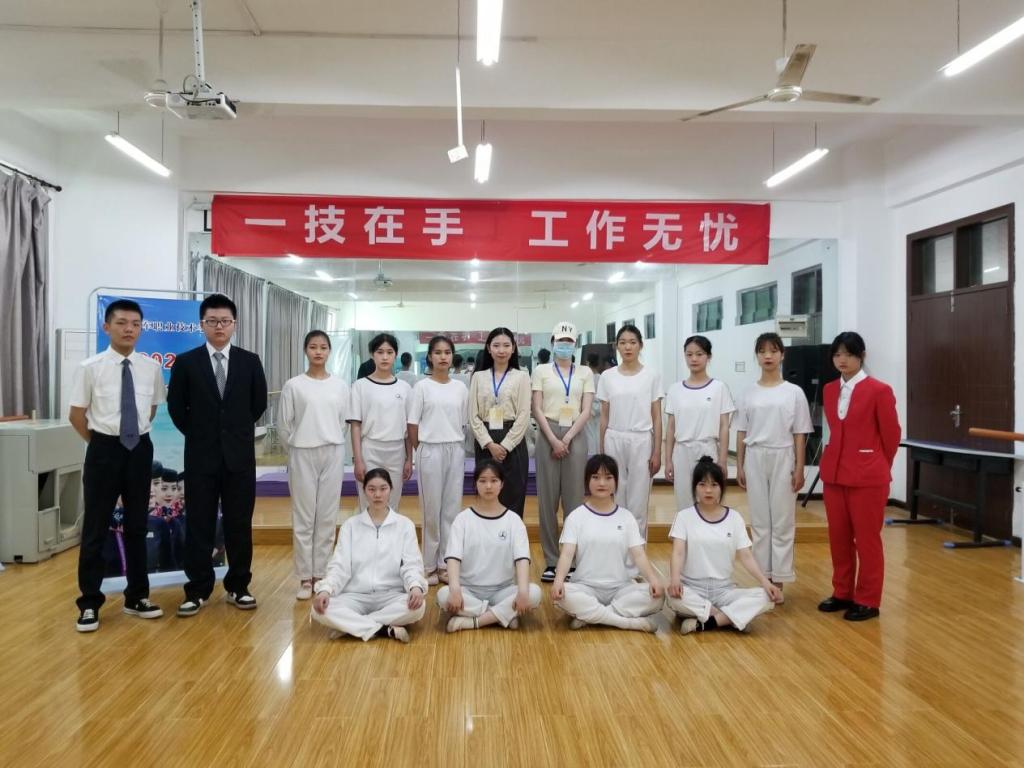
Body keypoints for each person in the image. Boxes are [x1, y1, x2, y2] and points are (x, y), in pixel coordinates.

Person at [68, 298, 167, 632]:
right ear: (106, 326)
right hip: (104, 449)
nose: (129, 329)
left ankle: (137, 597)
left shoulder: (150, 368)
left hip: (139, 449)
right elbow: (77, 415)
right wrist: (100, 444)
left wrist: (131, 439)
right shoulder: (90, 367)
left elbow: (151, 409)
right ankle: (89, 603)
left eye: (135, 324)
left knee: (138, 525)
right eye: (122, 323)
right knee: (96, 528)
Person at [167, 293, 268, 617]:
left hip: (239, 458)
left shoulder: (249, 361)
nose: (219, 326)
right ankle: (197, 589)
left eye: (225, 321)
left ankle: (239, 586)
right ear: (202, 324)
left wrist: (234, 432)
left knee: (239, 524)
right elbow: (176, 408)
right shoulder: (186, 362)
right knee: (199, 524)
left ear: (234, 324)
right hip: (201, 458)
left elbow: (258, 404)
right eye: (212, 321)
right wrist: (201, 435)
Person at [818, 332, 901, 622]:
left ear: (862, 356)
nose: (842, 360)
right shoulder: (829, 389)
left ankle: (868, 599)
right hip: (835, 474)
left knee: (867, 540)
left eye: (849, 354)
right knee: (838, 537)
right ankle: (842, 592)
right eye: (837, 354)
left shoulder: (879, 390)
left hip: (868, 477)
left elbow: (891, 436)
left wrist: (876, 464)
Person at [734, 333, 812, 602]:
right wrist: (740, 465)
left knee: (782, 520)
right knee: (759, 521)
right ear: (756, 356)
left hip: (783, 454)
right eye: (762, 351)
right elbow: (741, 430)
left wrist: (799, 467)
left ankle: (779, 578)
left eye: (773, 351)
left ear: (782, 355)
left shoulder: (794, 392)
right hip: (755, 456)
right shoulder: (747, 392)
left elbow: (800, 433)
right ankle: (763, 580)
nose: (768, 356)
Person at [551, 454, 664, 632]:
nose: (602, 483)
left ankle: (591, 616)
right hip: (585, 586)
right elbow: (566, 554)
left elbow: (639, 555)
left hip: (621, 588)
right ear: (587, 481)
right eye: (595, 477)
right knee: (563, 595)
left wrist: (653, 580)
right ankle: (628, 623)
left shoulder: (626, 517)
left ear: (616, 482)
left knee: (658, 597)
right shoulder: (576, 516)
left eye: (608, 477)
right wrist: (558, 581)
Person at [311, 469, 427, 643]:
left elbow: (411, 564)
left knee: (418, 606)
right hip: (355, 595)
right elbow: (339, 566)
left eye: (383, 489)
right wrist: (325, 590)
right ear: (364, 491)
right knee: (318, 609)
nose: (377, 495)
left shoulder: (405, 525)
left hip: (390, 595)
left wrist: (415, 587)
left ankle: (352, 627)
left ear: (391, 489)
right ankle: (383, 629)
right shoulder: (350, 526)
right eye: (372, 489)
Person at [667, 457, 780, 634]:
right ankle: (729, 617)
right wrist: (675, 579)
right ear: (695, 488)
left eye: (714, 485)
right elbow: (678, 553)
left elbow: (746, 556)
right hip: (692, 588)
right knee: (672, 597)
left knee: (766, 597)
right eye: (702, 484)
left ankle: (709, 622)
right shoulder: (684, 517)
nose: (708, 490)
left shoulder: (734, 518)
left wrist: (766, 582)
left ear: (722, 487)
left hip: (724, 590)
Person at [278, 330, 350, 601]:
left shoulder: (340, 386)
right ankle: (305, 577)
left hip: (332, 451)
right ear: (305, 350)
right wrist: (297, 447)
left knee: (327, 516)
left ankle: (322, 574)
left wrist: (330, 439)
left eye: (323, 347)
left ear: (329, 351)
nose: (318, 352)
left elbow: (343, 423)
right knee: (304, 517)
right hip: (302, 453)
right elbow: (284, 425)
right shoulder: (294, 385)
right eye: (313, 347)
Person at [437, 461, 542, 632]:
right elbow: (453, 558)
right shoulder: (463, 519)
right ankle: (503, 616)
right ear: (475, 484)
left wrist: (522, 591)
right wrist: (455, 589)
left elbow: (522, 559)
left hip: (503, 591)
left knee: (534, 593)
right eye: (483, 480)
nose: (488, 486)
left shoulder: (513, 520)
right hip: (469, 590)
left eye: (494, 480)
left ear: (502, 484)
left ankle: (474, 622)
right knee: (444, 595)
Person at [532, 321, 595, 582]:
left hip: (575, 434)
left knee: (574, 500)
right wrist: (553, 439)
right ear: (552, 342)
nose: (564, 345)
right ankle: (551, 560)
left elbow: (586, 409)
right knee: (547, 501)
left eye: (569, 342)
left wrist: (567, 438)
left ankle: (571, 560)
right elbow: (536, 407)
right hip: (548, 432)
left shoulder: (585, 372)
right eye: (560, 341)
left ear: (575, 344)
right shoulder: (541, 370)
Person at [408, 335, 469, 585]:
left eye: (447, 352)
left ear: (452, 356)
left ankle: (446, 563)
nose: (443, 357)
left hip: (455, 449)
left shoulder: (460, 388)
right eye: (438, 352)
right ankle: (429, 564)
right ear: (430, 357)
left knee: (451, 510)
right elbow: (412, 424)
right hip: (429, 450)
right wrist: (421, 449)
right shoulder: (421, 387)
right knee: (431, 511)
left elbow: (463, 422)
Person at [596, 325, 663, 537]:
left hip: (641, 439)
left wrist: (657, 451)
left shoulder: (651, 376)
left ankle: (636, 552)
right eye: (623, 342)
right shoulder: (607, 376)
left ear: (640, 345)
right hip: (614, 437)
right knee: (615, 495)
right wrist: (601, 450)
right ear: (617, 346)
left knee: (638, 500)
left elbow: (657, 416)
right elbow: (604, 416)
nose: (628, 347)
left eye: (633, 342)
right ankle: (616, 547)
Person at [664, 335, 735, 511]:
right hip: (682, 451)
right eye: (689, 354)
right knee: (684, 502)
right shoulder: (675, 389)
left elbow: (724, 427)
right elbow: (671, 427)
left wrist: (723, 460)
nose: (694, 359)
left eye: (699, 354)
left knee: (708, 500)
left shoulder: (719, 388)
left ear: (708, 356)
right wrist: (668, 460)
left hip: (707, 449)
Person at [468, 327, 531, 516]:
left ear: (513, 348)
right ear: (489, 348)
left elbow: (524, 415)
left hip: (513, 442)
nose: (501, 350)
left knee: (514, 494)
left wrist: (505, 445)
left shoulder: (522, 376)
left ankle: (512, 534)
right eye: (496, 345)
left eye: (506, 345)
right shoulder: (478, 376)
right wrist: (489, 444)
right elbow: (473, 415)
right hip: (485, 442)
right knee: (488, 493)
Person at [348, 333, 412, 512]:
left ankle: (390, 532)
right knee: (368, 502)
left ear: (395, 355)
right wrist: (358, 460)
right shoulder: (360, 386)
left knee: (392, 503)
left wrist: (409, 459)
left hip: (397, 451)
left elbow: (408, 428)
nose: (385, 357)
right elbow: (355, 426)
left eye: (389, 352)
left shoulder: (405, 388)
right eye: (380, 352)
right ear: (372, 354)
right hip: (370, 449)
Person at [584, 353, 602, 456]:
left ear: (588, 363)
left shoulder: (587, 377)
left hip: (589, 407)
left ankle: (591, 455)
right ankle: (598, 454)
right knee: (598, 432)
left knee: (589, 432)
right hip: (600, 407)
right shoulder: (601, 377)